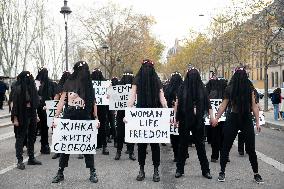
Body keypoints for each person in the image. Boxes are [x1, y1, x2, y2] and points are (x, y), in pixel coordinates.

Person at [211, 67, 263, 184]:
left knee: (226, 147)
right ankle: (256, 174)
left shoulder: (237, 89)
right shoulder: (247, 88)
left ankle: (222, 172)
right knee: (249, 149)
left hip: (235, 118)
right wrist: (257, 122)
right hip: (243, 119)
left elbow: (223, 106)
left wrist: (216, 118)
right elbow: (254, 107)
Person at [52, 61, 100, 183]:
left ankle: (92, 171)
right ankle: (60, 171)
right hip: (69, 116)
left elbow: (94, 102)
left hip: (84, 116)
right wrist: (56, 118)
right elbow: (62, 101)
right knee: (65, 146)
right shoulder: (69, 82)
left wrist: (96, 118)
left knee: (87, 146)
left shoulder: (89, 84)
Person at [127, 59, 168, 182]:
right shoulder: (156, 79)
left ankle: (142, 170)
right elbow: (163, 99)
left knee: (142, 146)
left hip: (143, 115)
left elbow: (131, 98)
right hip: (152, 115)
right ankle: (154, 171)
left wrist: (127, 112)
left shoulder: (137, 78)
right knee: (154, 145)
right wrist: (166, 111)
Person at [174, 66, 213, 179]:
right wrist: (175, 118)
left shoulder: (202, 89)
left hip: (198, 122)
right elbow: (178, 103)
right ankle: (179, 170)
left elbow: (208, 104)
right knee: (182, 146)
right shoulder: (182, 88)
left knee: (200, 146)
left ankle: (205, 171)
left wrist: (212, 117)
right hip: (185, 120)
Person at [11, 71, 42, 170]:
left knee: (32, 136)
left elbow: (34, 102)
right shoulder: (18, 88)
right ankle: (19, 161)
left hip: (31, 113)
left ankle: (31, 158)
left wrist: (36, 115)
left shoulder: (32, 88)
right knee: (20, 137)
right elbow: (14, 104)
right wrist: (15, 118)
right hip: (21, 114)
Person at [114, 70, 136, 161]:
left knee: (130, 132)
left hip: (131, 113)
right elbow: (114, 97)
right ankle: (119, 151)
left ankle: (131, 151)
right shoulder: (119, 87)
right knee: (120, 133)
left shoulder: (135, 87)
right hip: (121, 112)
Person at [206, 75, 228, 163]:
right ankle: (225, 155)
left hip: (214, 117)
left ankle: (214, 156)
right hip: (224, 117)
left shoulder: (211, 92)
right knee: (225, 137)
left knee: (215, 137)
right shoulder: (226, 92)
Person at [36, 68, 57, 154]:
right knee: (51, 126)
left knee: (43, 127)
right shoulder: (51, 83)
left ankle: (44, 145)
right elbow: (55, 95)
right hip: (49, 107)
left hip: (40, 107)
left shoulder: (36, 83)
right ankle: (50, 145)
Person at [164, 71, 183, 162]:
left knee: (173, 135)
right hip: (181, 113)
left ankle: (176, 154)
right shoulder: (184, 88)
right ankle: (183, 153)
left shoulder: (167, 88)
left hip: (170, 114)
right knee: (181, 134)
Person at [51, 71, 70, 160]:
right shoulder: (71, 85)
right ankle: (59, 150)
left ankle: (58, 151)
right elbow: (56, 99)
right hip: (64, 110)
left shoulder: (61, 86)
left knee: (61, 131)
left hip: (67, 110)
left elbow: (55, 99)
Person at [91, 68, 109, 155]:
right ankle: (104, 146)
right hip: (102, 108)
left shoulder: (90, 82)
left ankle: (96, 144)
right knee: (102, 127)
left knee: (94, 126)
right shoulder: (105, 83)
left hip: (93, 108)